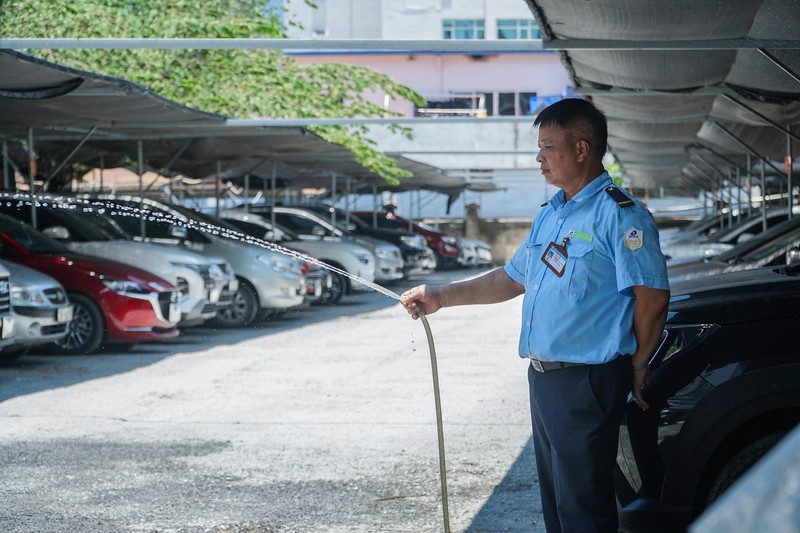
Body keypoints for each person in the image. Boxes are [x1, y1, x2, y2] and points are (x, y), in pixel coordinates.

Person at [401, 98, 670, 533]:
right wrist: (440, 296)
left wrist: (638, 365)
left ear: (581, 150)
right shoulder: (552, 215)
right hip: (544, 379)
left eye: (548, 147)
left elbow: (652, 297)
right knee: (559, 507)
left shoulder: (618, 214)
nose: (538, 157)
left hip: (587, 379)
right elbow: (511, 279)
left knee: (583, 509)